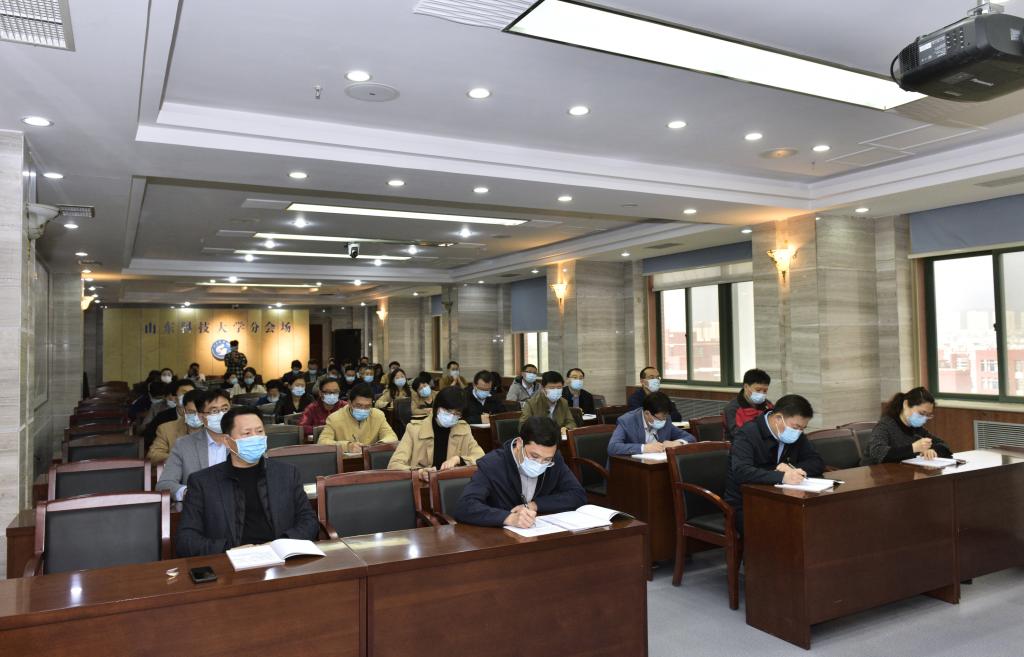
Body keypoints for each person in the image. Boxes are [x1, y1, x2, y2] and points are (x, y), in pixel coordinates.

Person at [176, 408, 318, 557]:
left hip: (281, 556)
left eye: (259, 431)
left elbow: (309, 521)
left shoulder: (287, 473)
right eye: (247, 433)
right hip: (231, 561)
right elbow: (186, 540)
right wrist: (228, 550)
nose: (255, 438)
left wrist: (283, 543)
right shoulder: (202, 482)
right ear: (227, 441)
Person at [453, 416, 586, 528]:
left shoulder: (555, 459)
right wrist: (508, 518)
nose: (540, 464)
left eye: (547, 460)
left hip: (538, 531)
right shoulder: (492, 464)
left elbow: (578, 495)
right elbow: (465, 506)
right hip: (498, 537)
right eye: (534, 456)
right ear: (519, 443)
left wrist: (535, 505)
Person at [724, 394, 825, 534]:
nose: (798, 432)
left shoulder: (796, 434)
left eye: (803, 428)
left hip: (782, 499)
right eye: (796, 427)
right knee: (784, 529)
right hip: (746, 504)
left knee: (816, 521)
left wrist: (791, 469)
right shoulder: (748, 433)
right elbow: (741, 471)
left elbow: (817, 462)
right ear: (778, 418)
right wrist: (782, 476)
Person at [388, 387, 485, 480]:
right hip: (422, 486)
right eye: (447, 411)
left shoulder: (463, 429)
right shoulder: (414, 430)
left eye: (457, 413)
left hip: (450, 485)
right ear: (436, 407)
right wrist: (419, 473)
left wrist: (459, 459)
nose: (451, 416)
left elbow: (481, 458)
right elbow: (394, 465)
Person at [156, 389, 232, 501]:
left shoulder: (244, 440)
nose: (221, 415)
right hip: (200, 507)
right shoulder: (184, 445)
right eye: (214, 411)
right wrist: (190, 493)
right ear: (201, 417)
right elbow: (164, 484)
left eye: (225, 409)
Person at [862, 387, 952, 465]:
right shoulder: (885, 425)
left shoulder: (916, 429)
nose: (924, 418)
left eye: (927, 415)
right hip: (875, 473)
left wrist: (933, 450)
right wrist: (913, 448)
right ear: (905, 404)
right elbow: (878, 452)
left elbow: (944, 445)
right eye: (922, 413)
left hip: (901, 472)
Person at [608, 392, 695, 457]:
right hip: (628, 468)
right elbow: (613, 447)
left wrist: (678, 443)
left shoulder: (666, 420)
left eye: (665, 417)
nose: (664, 421)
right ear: (647, 413)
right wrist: (644, 448)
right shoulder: (627, 421)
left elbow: (691, 438)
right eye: (660, 419)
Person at [317, 383, 398, 452]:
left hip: (372, 461)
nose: (363, 409)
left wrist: (379, 445)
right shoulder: (334, 418)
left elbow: (392, 437)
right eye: (359, 405)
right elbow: (322, 442)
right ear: (349, 403)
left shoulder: (378, 415)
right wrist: (347, 446)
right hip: (347, 463)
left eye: (367, 406)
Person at [148, 388, 206, 463]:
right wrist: (181, 458)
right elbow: (153, 455)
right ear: (184, 410)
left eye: (200, 412)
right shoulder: (166, 429)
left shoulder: (216, 429)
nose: (196, 415)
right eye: (191, 412)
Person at [143, 379, 196, 446]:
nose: (189, 396)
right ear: (174, 397)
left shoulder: (202, 416)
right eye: (184, 393)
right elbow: (149, 438)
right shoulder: (162, 417)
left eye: (192, 393)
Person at [724, 369, 774, 440]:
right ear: (746, 387)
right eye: (758, 390)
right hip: (740, 444)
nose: (762, 394)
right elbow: (738, 434)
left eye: (765, 391)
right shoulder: (733, 408)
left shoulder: (768, 405)